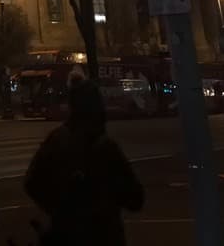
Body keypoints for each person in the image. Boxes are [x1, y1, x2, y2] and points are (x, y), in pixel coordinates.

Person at [24, 72, 144, 245]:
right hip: (104, 235)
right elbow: (135, 198)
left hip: (65, 234)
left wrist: (58, 208)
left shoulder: (56, 139)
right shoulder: (106, 147)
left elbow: (32, 183)